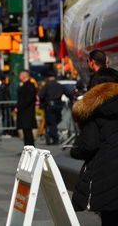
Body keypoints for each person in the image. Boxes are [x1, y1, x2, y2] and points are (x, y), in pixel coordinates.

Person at [70, 68, 118, 226]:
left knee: (110, 217)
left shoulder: (93, 111)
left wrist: (74, 151)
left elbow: (89, 145)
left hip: (107, 172)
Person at [39, 71, 71, 144]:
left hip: (50, 105)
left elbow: (41, 95)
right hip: (59, 105)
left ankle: (54, 137)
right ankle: (53, 133)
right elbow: (69, 94)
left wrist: (43, 103)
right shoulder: (59, 85)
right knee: (57, 120)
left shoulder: (47, 86)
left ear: (48, 78)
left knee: (51, 122)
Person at [16, 70, 37, 146]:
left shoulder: (30, 86)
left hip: (27, 112)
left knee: (28, 131)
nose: (19, 77)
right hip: (24, 112)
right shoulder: (23, 85)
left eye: (20, 75)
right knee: (25, 131)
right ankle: (27, 146)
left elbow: (28, 99)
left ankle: (30, 146)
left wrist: (19, 106)